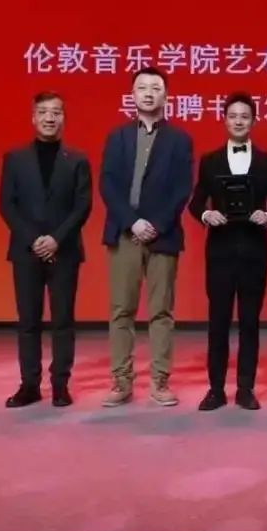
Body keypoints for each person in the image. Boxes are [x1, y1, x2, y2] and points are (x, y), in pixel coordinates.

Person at [98, 68, 194, 408]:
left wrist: (155, 223)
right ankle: (121, 381)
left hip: (162, 235)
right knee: (121, 310)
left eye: (156, 87)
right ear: (132, 95)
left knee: (161, 311)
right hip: (125, 233)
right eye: (142, 88)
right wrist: (133, 221)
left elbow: (182, 188)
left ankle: (160, 381)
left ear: (166, 96)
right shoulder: (117, 137)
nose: (149, 93)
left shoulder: (179, 140)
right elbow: (107, 184)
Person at [188, 92, 267, 411]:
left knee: (249, 322)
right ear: (225, 120)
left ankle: (245, 388)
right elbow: (195, 202)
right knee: (217, 323)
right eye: (233, 116)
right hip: (220, 251)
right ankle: (215, 389)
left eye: (245, 116)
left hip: (255, 252)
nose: (239, 121)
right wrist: (207, 215)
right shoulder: (210, 161)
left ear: (253, 121)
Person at [0, 91, 93, 409]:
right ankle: (29, 385)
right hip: (26, 252)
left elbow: (82, 206)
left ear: (64, 118)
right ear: (33, 117)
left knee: (63, 320)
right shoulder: (15, 159)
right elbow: (7, 206)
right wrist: (35, 240)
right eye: (43, 112)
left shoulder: (77, 160)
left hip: (64, 251)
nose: (50, 118)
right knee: (28, 321)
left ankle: (60, 385)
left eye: (56, 112)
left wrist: (56, 239)